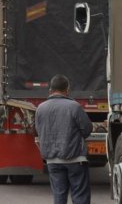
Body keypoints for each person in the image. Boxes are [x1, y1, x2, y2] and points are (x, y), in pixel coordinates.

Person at [34, 74, 93, 204]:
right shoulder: (74, 106)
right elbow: (87, 129)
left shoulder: (40, 108)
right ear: (67, 90)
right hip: (75, 159)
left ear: (50, 90)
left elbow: (39, 130)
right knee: (80, 197)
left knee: (59, 197)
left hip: (52, 161)